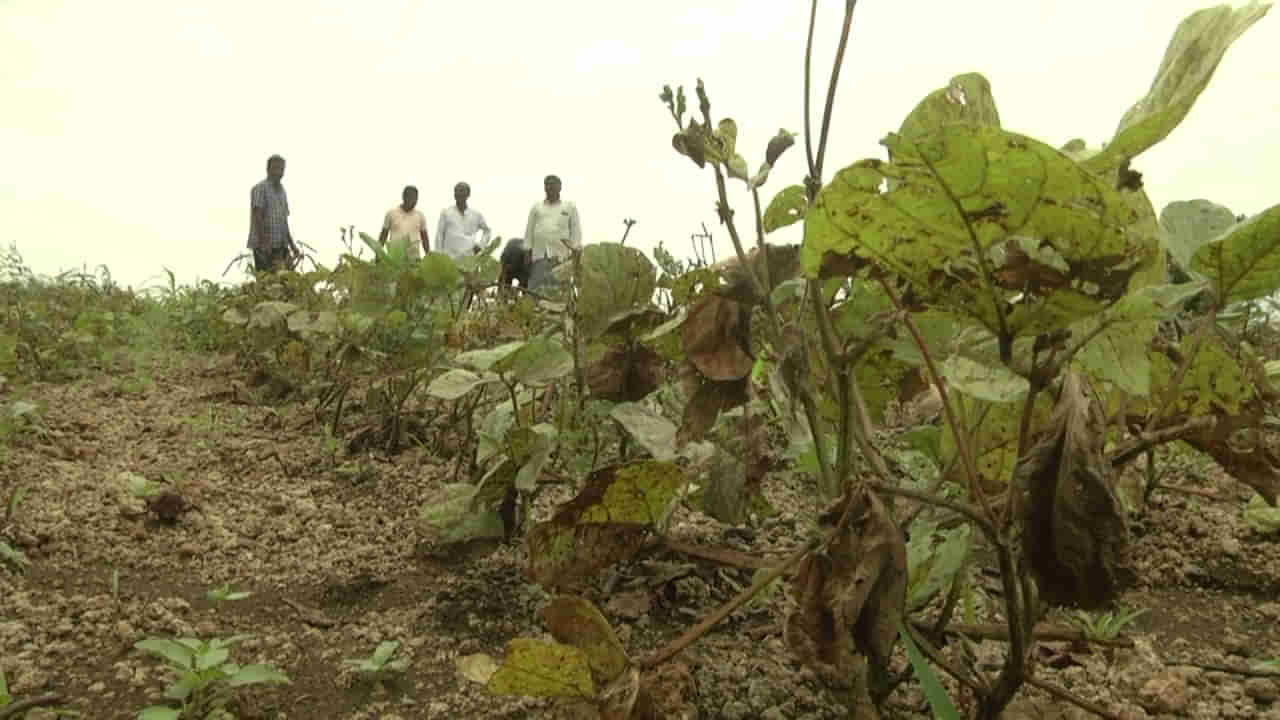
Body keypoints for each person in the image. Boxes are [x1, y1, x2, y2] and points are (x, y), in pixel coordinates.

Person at [523, 175, 582, 289]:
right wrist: (527, 253)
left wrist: (575, 254)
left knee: (558, 294)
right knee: (535, 291)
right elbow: (528, 232)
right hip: (539, 257)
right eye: (547, 184)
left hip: (561, 258)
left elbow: (576, 231)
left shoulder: (569, 207)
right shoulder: (536, 207)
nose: (549, 187)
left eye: (553, 184)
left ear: (560, 187)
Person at [247, 154, 301, 272]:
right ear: (268, 169)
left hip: (281, 246)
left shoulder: (282, 192)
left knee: (289, 281)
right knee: (268, 284)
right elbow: (257, 215)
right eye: (275, 168)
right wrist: (264, 241)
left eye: (281, 169)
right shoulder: (260, 188)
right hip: (265, 247)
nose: (278, 172)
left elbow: (284, 222)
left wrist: (293, 246)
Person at [435, 182, 492, 259]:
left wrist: (481, 245)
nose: (458, 193)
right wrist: (439, 257)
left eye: (461, 190)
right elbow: (439, 236)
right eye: (456, 191)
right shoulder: (446, 212)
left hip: (469, 260)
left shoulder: (476, 215)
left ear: (468, 194)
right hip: (449, 259)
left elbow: (487, 231)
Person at [378, 185, 429, 260]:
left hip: (414, 258)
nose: (414, 201)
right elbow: (383, 235)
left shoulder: (420, 215)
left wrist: (428, 256)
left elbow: (424, 238)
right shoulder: (391, 213)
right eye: (411, 198)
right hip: (395, 258)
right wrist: (378, 253)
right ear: (404, 197)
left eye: (416, 198)